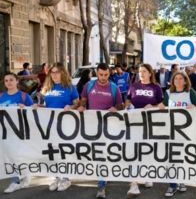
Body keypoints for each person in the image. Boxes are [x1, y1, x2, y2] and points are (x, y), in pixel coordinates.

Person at [77, 63, 124, 198]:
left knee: (104, 153)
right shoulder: (89, 85)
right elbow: (83, 100)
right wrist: (81, 106)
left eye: (106, 75)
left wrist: (116, 109)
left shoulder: (114, 88)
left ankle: (101, 184)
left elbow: (120, 106)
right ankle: (102, 176)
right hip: (92, 125)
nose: (103, 77)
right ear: (96, 73)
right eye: (101, 74)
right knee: (96, 153)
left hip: (109, 126)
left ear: (109, 74)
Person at [38, 62, 79, 192]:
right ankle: (56, 176)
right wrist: (39, 107)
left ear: (63, 73)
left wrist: (71, 107)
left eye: (57, 72)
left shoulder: (70, 87)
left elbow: (77, 104)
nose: (54, 75)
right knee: (52, 151)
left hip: (65, 126)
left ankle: (66, 178)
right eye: (52, 72)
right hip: (49, 125)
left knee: (63, 151)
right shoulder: (47, 88)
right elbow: (47, 105)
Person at [158, 71, 196, 197]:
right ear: (172, 81)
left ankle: (182, 180)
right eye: (176, 79)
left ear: (185, 81)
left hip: (187, 131)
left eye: (181, 79)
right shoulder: (168, 93)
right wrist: (149, 107)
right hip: (171, 130)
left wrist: (195, 108)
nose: (178, 81)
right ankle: (172, 185)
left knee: (183, 157)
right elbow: (162, 106)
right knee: (172, 158)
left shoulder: (190, 93)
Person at [125, 63, 163, 196]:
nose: (141, 73)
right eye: (140, 71)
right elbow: (128, 102)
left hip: (150, 123)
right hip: (134, 123)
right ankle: (134, 184)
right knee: (134, 152)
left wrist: (152, 106)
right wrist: (129, 107)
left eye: (144, 71)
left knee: (147, 150)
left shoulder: (156, 87)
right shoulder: (134, 86)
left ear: (150, 73)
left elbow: (161, 105)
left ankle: (148, 175)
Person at [1, 72, 33, 194]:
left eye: (11, 80)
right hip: (5, 133)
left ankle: (20, 178)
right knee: (10, 157)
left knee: (17, 156)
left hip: (21, 133)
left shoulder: (24, 96)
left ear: (17, 81)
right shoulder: (1, 96)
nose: (8, 82)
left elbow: (35, 114)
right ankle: (18, 179)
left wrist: (25, 108)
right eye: (6, 80)